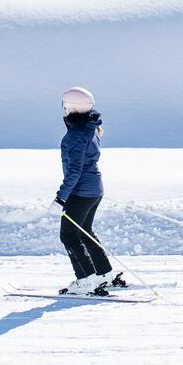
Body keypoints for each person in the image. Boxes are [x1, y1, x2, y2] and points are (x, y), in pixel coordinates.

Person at [53, 87, 123, 296]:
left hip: (81, 191)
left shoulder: (75, 135)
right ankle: (103, 274)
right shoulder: (90, 128)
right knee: (85, 232)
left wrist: (60, 197)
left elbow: (74, 171)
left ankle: (86, 280)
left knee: (69, 235)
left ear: (70, 107)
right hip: (94, 189)